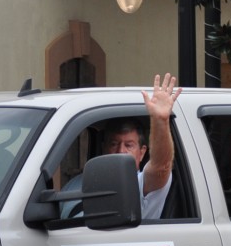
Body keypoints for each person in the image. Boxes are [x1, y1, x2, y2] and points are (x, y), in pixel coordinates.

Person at [63, 73, 180, 219]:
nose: (120, 151)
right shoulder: (76, 183)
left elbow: (161, 167)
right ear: (103, 148)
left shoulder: (140, 184)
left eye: (129, 145)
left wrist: (160, 120)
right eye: (114, 144)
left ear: (142, 152)